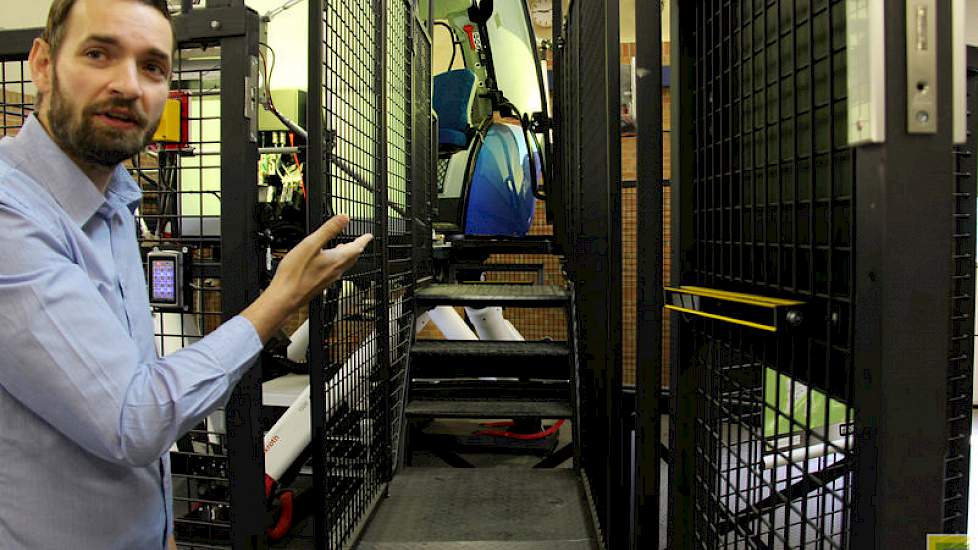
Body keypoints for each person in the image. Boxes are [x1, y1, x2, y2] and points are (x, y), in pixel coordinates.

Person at [0, 0, 373, 548]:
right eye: (99, 53)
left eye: (152, 66)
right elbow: (133, 417)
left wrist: (163, 529)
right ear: (41, 63)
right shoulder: (12, 217)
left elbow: (130, 392)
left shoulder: (115, 202)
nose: (127, 85)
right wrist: (280, 297)